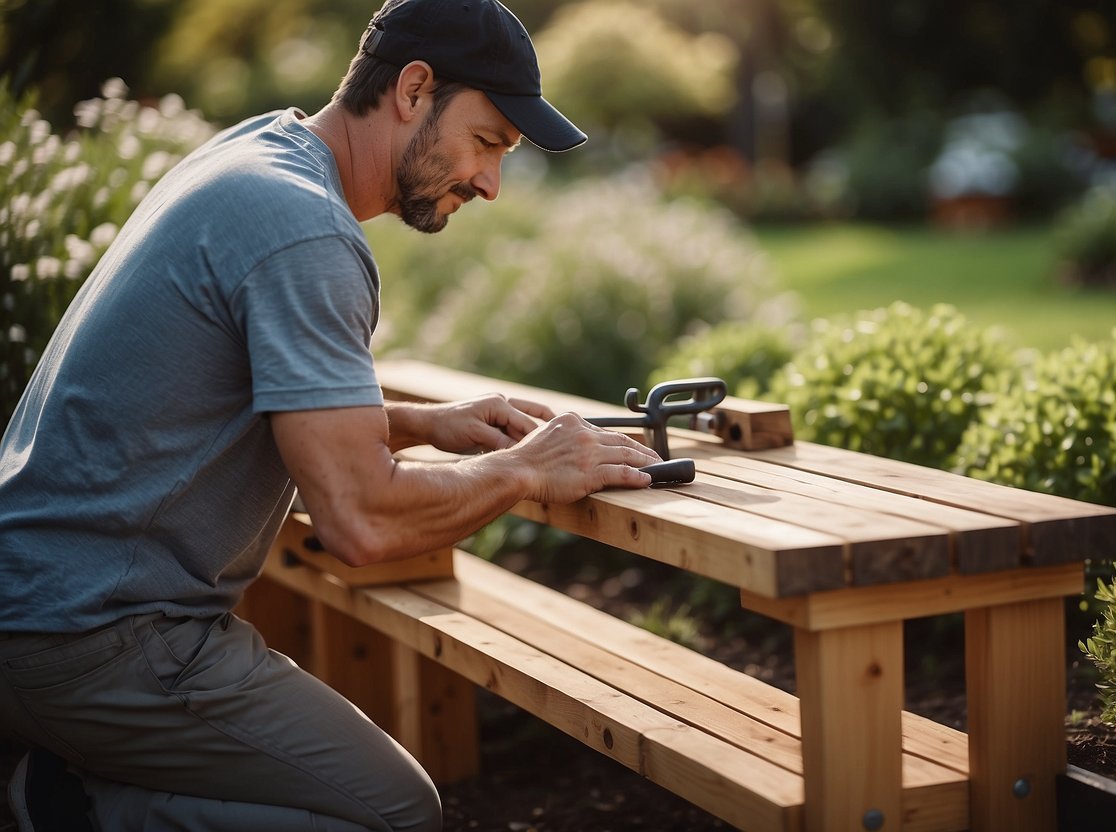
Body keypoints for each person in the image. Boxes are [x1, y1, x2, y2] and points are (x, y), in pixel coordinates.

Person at [0, 0, 662, 828]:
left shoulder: (254, 155)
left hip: (33, 608)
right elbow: (359, 522)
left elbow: (228, 392)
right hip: (95, 638)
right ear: (414, 90)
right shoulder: (304, 232)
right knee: (391, 812)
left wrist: (419, 422)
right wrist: (526, 468)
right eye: (488, 142)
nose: (491, 184)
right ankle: (65, 809)